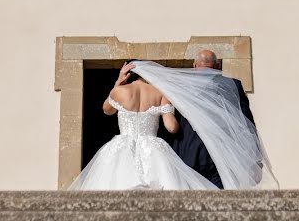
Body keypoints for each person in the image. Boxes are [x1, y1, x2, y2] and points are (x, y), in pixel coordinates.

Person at [68, 61, 217, 190]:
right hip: (153, 149)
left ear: (130, 74)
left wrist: (117, 84)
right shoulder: (160, 93)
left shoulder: (118, 91)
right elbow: (171, 127)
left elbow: (107, 110)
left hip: (121, 147)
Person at [160, 50, 254, 188]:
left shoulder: (180, 85)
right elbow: (246, 121)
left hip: (189, 150)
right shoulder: (233, 85)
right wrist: (251, 153)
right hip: (222, 152)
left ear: (194, 65)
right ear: (217, 65)